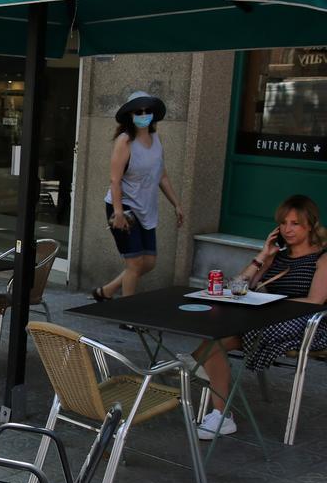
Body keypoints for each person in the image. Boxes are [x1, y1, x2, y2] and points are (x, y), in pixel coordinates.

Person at [190, 195, 327, 440]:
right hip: (266, 317)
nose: (287, 229)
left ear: (310, 225)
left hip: (304, 322)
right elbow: (238, 286)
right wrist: (263, 255)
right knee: (219, 333)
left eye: (295, 223)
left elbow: (315, 301)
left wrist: (273, 303)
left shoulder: (322, 258)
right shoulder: (277, 256)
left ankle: (196, 362)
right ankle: (221, 414)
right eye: (283, 223)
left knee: (220, 339)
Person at [92, 91, 185, 301]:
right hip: (124, 206)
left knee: (149, 262)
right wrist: (118, 213)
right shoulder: (125, 141)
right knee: (134, 263)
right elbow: (115, 180)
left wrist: (177, 204)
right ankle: (127, 313)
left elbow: (162, 175)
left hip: (147, 208)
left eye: (147, 111)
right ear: (130, 115)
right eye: (138, 111)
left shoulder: (156, 139)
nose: (144, 115)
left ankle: (107, 291)